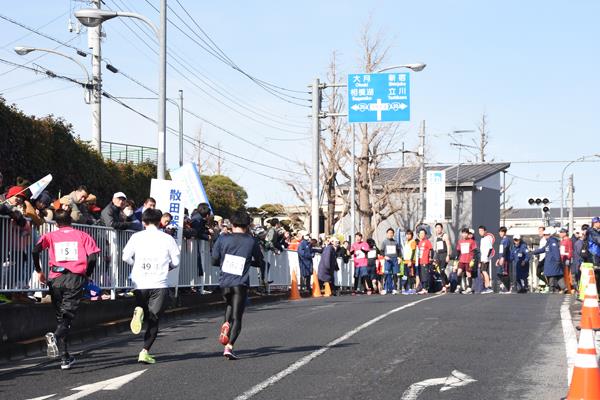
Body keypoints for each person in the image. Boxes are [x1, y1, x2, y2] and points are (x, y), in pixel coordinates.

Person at [31, 209, 101, 370]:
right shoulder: (83, 235)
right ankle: (54, 338)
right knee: (67, 317)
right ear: (71, 220)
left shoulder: (51, 236)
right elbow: (92, 257)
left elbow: (35, 250)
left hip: (55, 279)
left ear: (56, 223)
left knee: (61, 319)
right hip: (75, 278)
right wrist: (87, 275)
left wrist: (39, 271)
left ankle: (65, 357)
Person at [122, 208, 180, 364]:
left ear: (143, 222)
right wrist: (167, 267)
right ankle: (144, 352)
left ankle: (139, 311)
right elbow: (176, 262)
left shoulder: (136, 237)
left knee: (144, 311)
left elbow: (125, 256)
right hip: (159, 283)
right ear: (160, 222)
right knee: (154, 320)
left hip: (139, 282)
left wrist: (136, 265)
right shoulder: (167, 239)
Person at [212, 210, 263, 360]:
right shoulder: (251, 241)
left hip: (224, 282)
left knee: (228, 304)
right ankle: (229, 347)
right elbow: (259, 260)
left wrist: (224, 261)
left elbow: (214, 260)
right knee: (238, 316)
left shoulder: (222, 239)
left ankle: (226, 323)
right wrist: (249, 262)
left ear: (232, 224)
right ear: (247, 225)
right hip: (240, 283)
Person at [532, 227, 565, 293]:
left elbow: (556, 252)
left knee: (552, 275)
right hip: (550, 262)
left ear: (550, 234)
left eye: (546, 234)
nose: (544, 236)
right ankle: (564, 288)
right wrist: (533, 252)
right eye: (544, 234)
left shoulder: (553, 242)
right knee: (558, 275)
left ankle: (552, 288)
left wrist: (557, 261)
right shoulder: (548, 242)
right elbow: (543, 249)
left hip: (553, 262)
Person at [455, 228, 477, 294]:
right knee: (459, 272)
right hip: (461, 260)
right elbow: (458, 251)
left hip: (468, 260)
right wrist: (456, 260)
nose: (464, 234)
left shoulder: (471, 241)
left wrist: (473, 260)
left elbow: (475, 251)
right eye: (463, 233)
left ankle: (469, 288)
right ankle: (459, 287)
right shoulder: (460, 241)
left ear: (468, 234)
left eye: (466, 233)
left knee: (468, 273)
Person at [381, 228, 402, 295]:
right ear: (387, 234)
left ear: (393, 234)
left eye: (391, 233)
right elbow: (381, 251)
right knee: (386, 274)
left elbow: (399, 251)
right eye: (389, 233)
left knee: (395, 274)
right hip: (388, 260)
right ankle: (385, 289)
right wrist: (384, 256)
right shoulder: (384, 242)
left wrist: (399, 258)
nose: (390, 234)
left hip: (395, 260)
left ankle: (395, 289)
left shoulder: (396, 242)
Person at [433, 223, 451, 293]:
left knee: (442, 270)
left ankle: (444, 286)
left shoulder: (445, 236)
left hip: (444, 254)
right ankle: (447, 284)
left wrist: (448, 255)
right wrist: (435, 258)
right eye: (436, 228)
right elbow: (436, 249)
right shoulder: (436, 237)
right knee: (439, 271)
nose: (438, 229)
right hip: (438, 255)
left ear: (442, 228)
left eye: (439, 228)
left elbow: (448, 245)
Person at [416, 229, 434, 294]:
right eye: (420, 234)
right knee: (421, 275)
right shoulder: (420, 242)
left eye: (423, 233)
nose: (421, 235)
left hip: (425, 261)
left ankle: (425, 288)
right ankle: (423, 288)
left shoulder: (427, 242)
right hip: (419, 261)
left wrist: (431, 258)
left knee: (425, 275)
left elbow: (431, 250)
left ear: (425, 235)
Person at [478, 226, 494, 294]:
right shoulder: (482, 239)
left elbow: (490, 249)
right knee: (482, 272)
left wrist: (487, 257)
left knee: (484, 271)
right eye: (479, 231)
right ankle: (484, 286)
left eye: (481, 230)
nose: (480, 232)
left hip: (485, 259)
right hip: (482, 258)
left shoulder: (487, 238)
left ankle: (488, 287)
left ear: (485, 231)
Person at [495, 227, 512, 292]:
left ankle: (508, 288)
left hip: (505, 259)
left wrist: (502, 258)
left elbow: (505, 249)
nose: (500, 233)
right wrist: (498, 259)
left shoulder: (506, 240)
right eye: (500, 232)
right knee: (499, 273)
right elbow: (501, 251)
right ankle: (506, 286)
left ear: (505, 232)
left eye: (502, 232)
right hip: (501, 259)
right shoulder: (502, 240)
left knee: (505, 273)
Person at [402, 230, 417, 294]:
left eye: (409, 234)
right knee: (405, 276)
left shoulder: (413, 242)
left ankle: (411, 288)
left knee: (411, 275)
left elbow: (413, 252)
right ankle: (406, 288)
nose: (408, 235)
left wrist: (411, 261)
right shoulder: (406, 242)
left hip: (410, 261)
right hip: (405, 261)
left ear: (412, 235)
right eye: (407, 234)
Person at [559, 227, 574, 293]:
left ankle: (569, 288)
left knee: (567, 274)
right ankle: (565, 287)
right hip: (561, 259)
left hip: (566, 259)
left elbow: (570, 250)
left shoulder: (568, 240)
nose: (560, 234)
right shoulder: (562, 241)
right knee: (563, 274)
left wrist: (569, 258)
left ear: (565, 233)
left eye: (561, 232)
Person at [534, 226, 549, 292]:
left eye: (540, 231)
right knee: (538, 273)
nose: (539, 232)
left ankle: (549, 285)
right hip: (541, 259)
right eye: (539, 231)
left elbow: (544, 250)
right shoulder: (541, 240)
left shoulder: (545, 240)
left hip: (545, 259)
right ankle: (548, 284)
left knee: (543, 273)